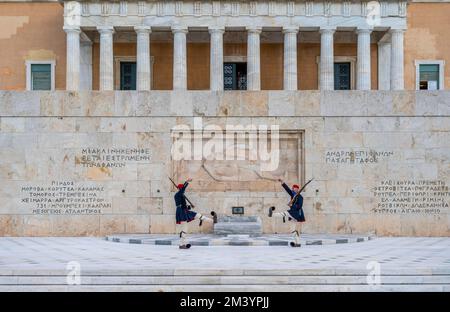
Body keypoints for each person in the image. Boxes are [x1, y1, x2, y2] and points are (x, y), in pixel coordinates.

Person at [175, 178, 217, 249]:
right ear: (181, 189)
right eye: (182, 188)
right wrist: (186, 182)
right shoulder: (178, 194)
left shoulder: (181, 195)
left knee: (198, 215)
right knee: (185, 229)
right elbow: (182, 191)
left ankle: (213, 221)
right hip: (182, 212)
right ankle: (182, 244)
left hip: (184, 211)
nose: (184, 190)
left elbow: (182, 204)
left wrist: (189, 206)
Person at [268, 179, 306, 247]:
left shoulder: (300, 197)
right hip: (293, 214)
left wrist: (292, 205)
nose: (295, 190)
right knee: (292, 229)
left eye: (297, 189)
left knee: (285, 213)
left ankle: (272, 214)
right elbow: (287, 189)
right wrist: (282, 182)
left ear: (298, 189)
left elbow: (299, 206)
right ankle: (297, 243)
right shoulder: (293, 195)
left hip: (296, 213)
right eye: (294, 188)